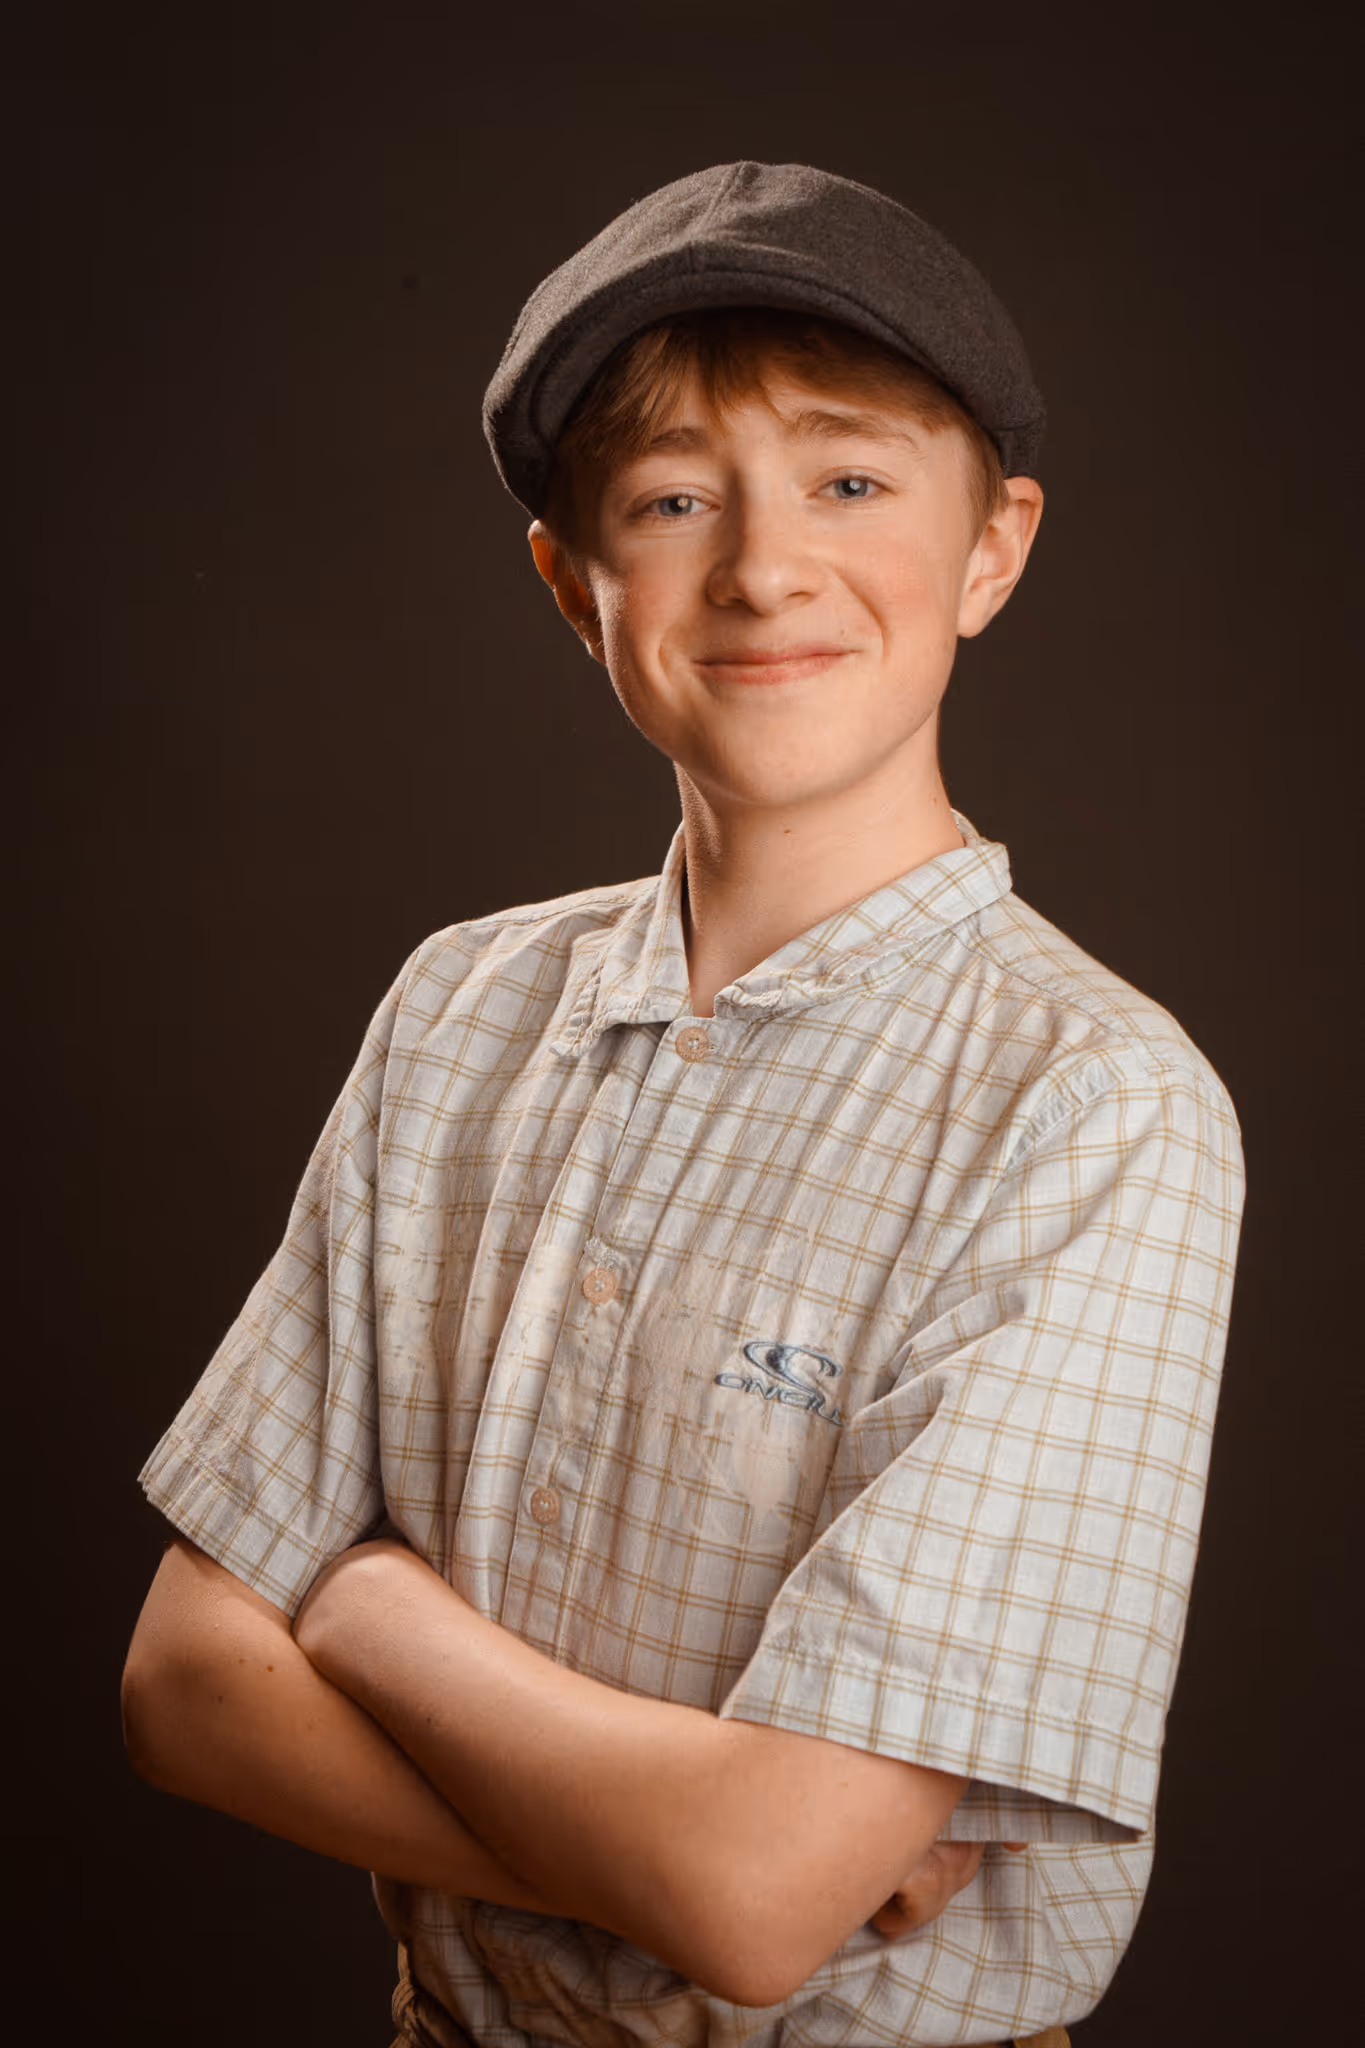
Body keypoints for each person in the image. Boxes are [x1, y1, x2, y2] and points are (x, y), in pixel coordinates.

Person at [121, 162, 1246, 2048]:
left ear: (994, 548)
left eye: (853, 483)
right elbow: (183, 1690)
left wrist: (374, 1610)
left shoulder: (1093, 1103)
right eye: (668, 502)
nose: (762, 568)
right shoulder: (460, 1011)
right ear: (575, 584)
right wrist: (693, 1850)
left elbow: (752, 1897)